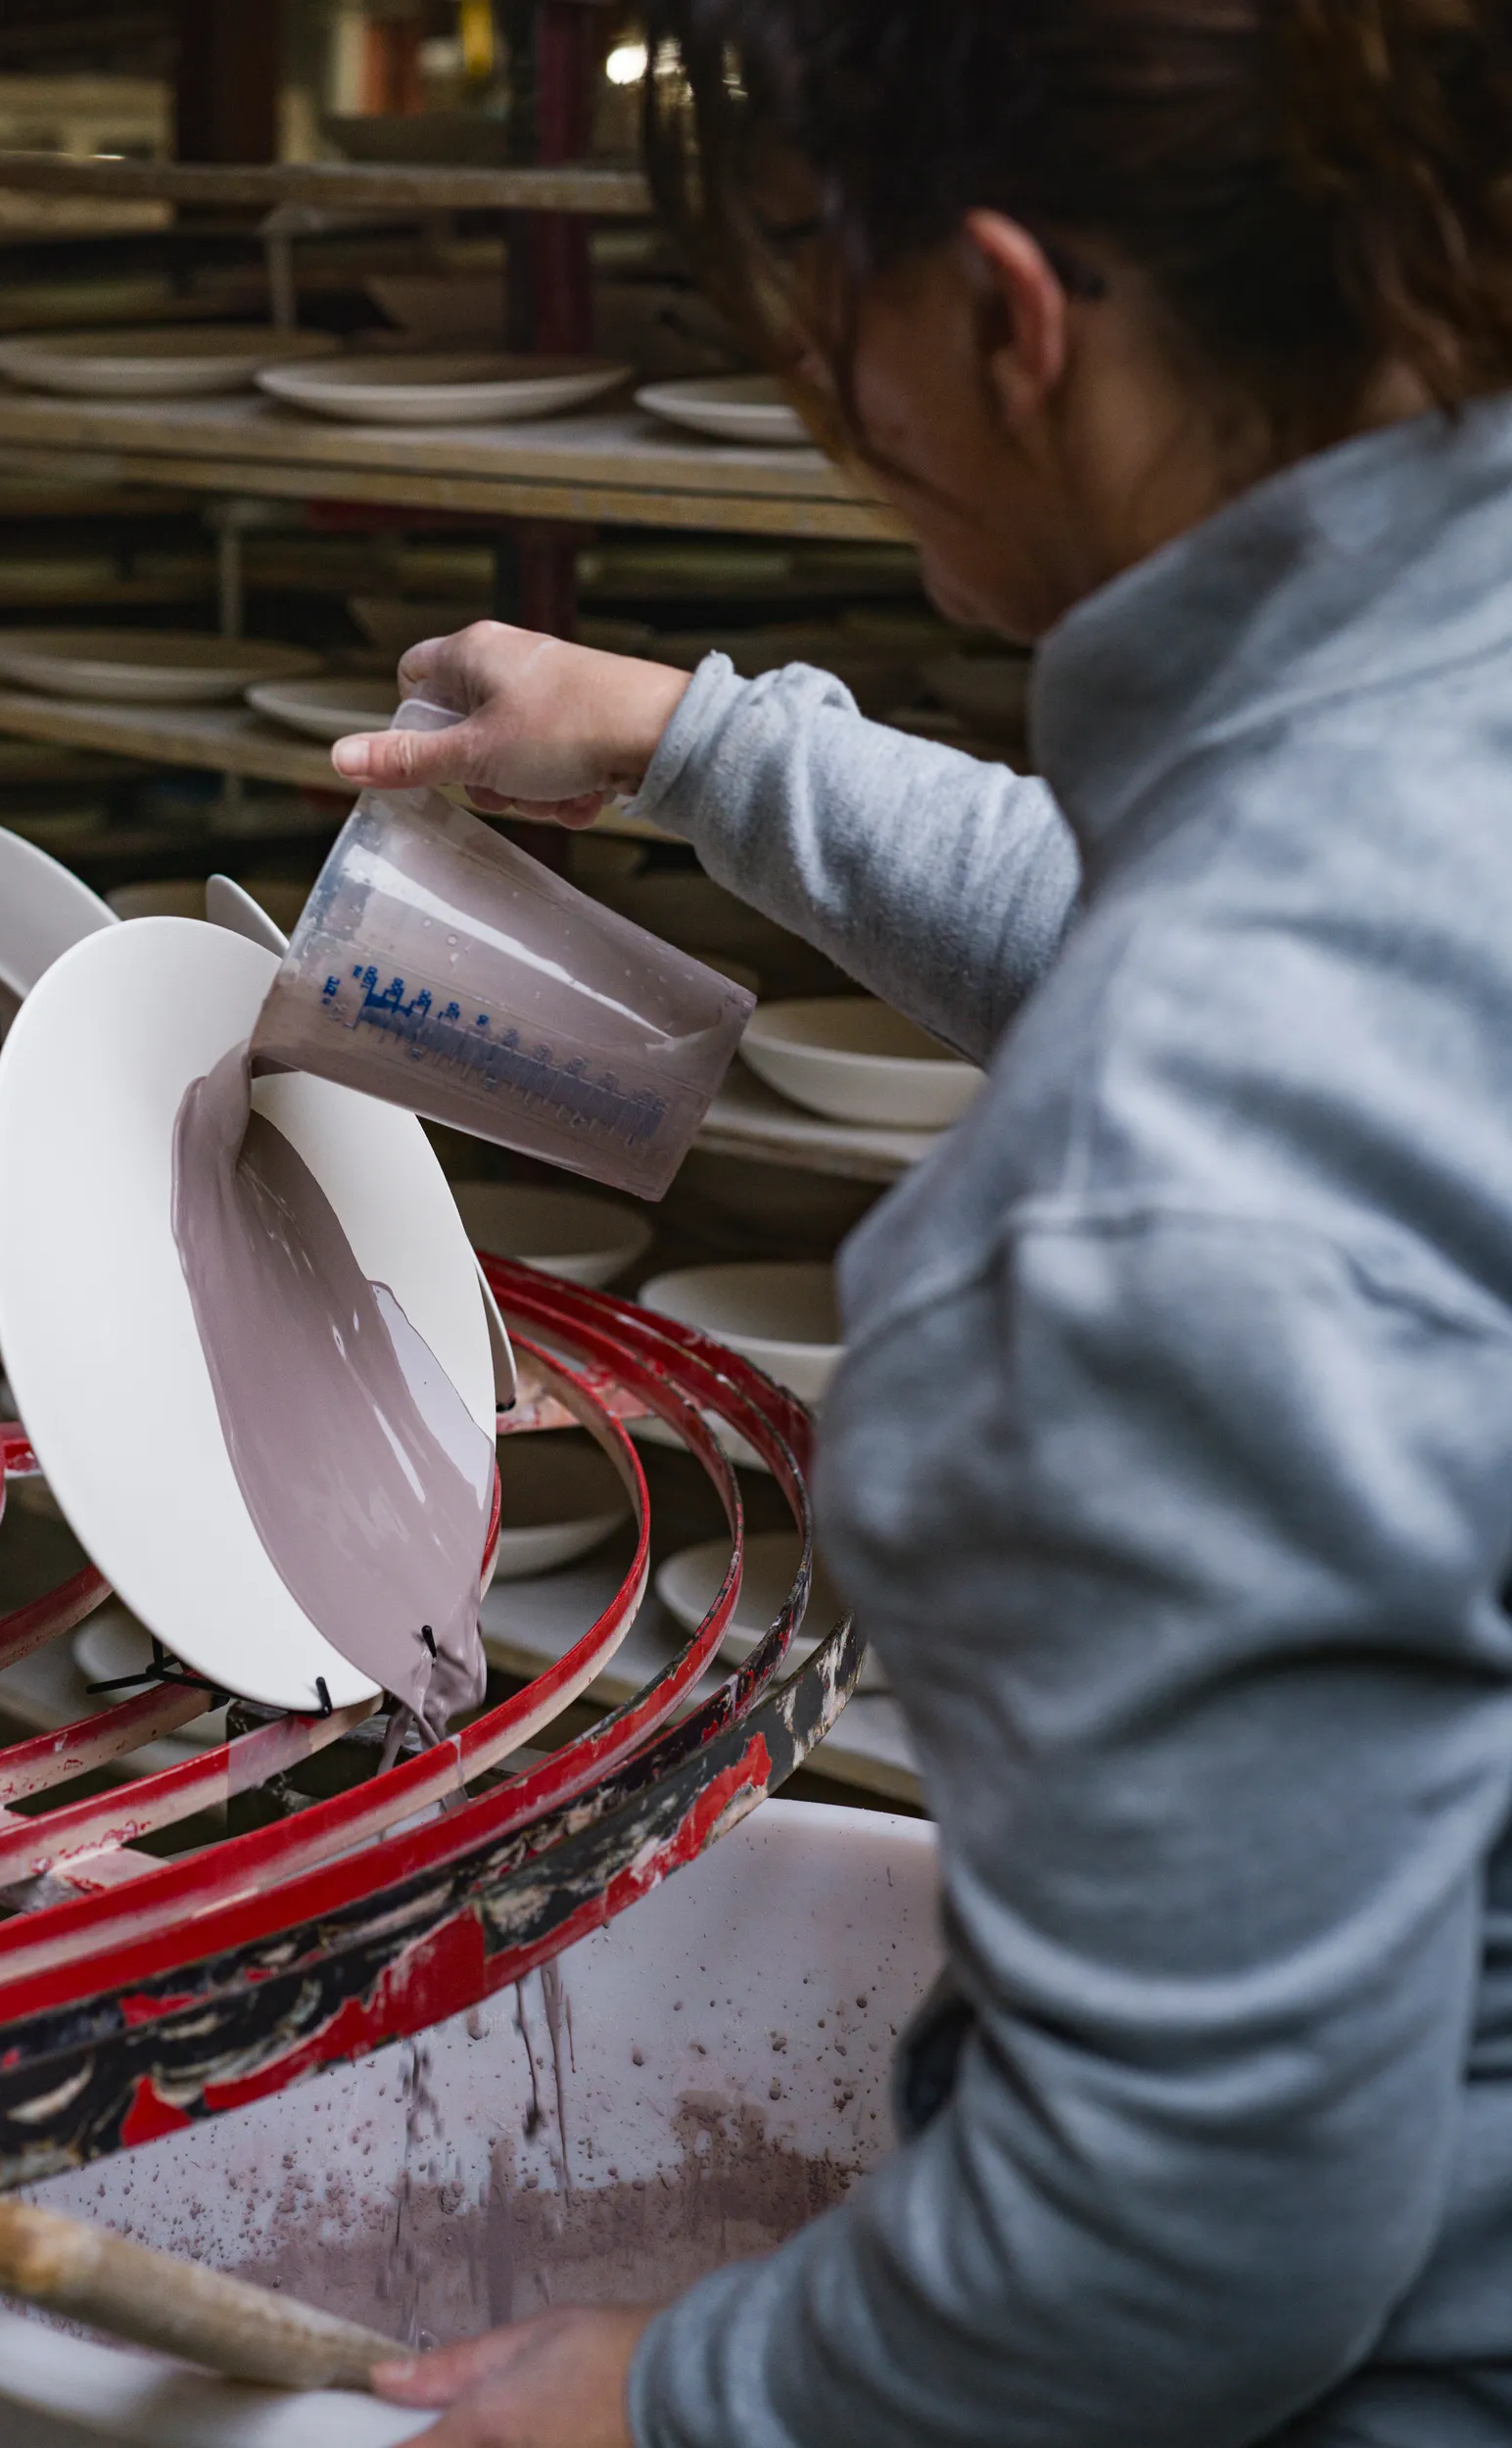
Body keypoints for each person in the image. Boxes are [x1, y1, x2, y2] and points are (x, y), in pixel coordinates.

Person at [324, 1, 1512, 2442]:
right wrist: (692, 743)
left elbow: (1188, 2245)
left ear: (1003, 316)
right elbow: (1249, 915)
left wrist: (670, 2390)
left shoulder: (1149, 1193)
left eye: (822, 313)